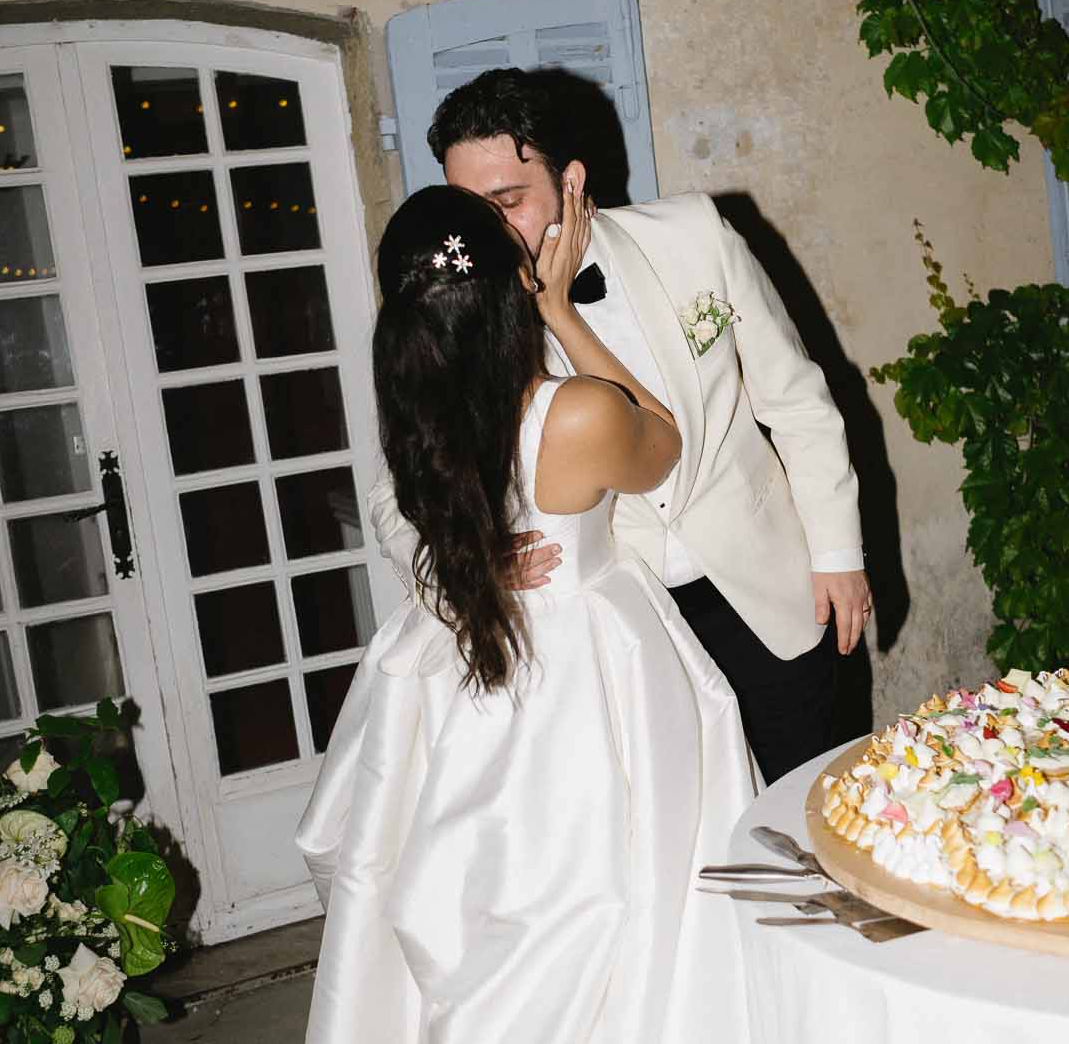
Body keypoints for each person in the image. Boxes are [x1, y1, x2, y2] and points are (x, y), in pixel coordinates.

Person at [200, 182, 792, 1044]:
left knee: (497, 970)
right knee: (633, 942)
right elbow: (663, 442)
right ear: (504, 287)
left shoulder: (421, 425)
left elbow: (426, 541)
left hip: (476, 717)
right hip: (596, 707)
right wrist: (563, 310)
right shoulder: (568, 416)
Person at [369, 67, 871, 783]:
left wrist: (838, 553)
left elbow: (796, 401)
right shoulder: (462, 312)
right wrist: (467, 564)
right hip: (624, 644)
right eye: (470, 207)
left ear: (571, 182)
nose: (490, 231)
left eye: (508, 201)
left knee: (812, 802)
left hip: (768, 592)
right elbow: (396, 490)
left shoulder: (694, 235)